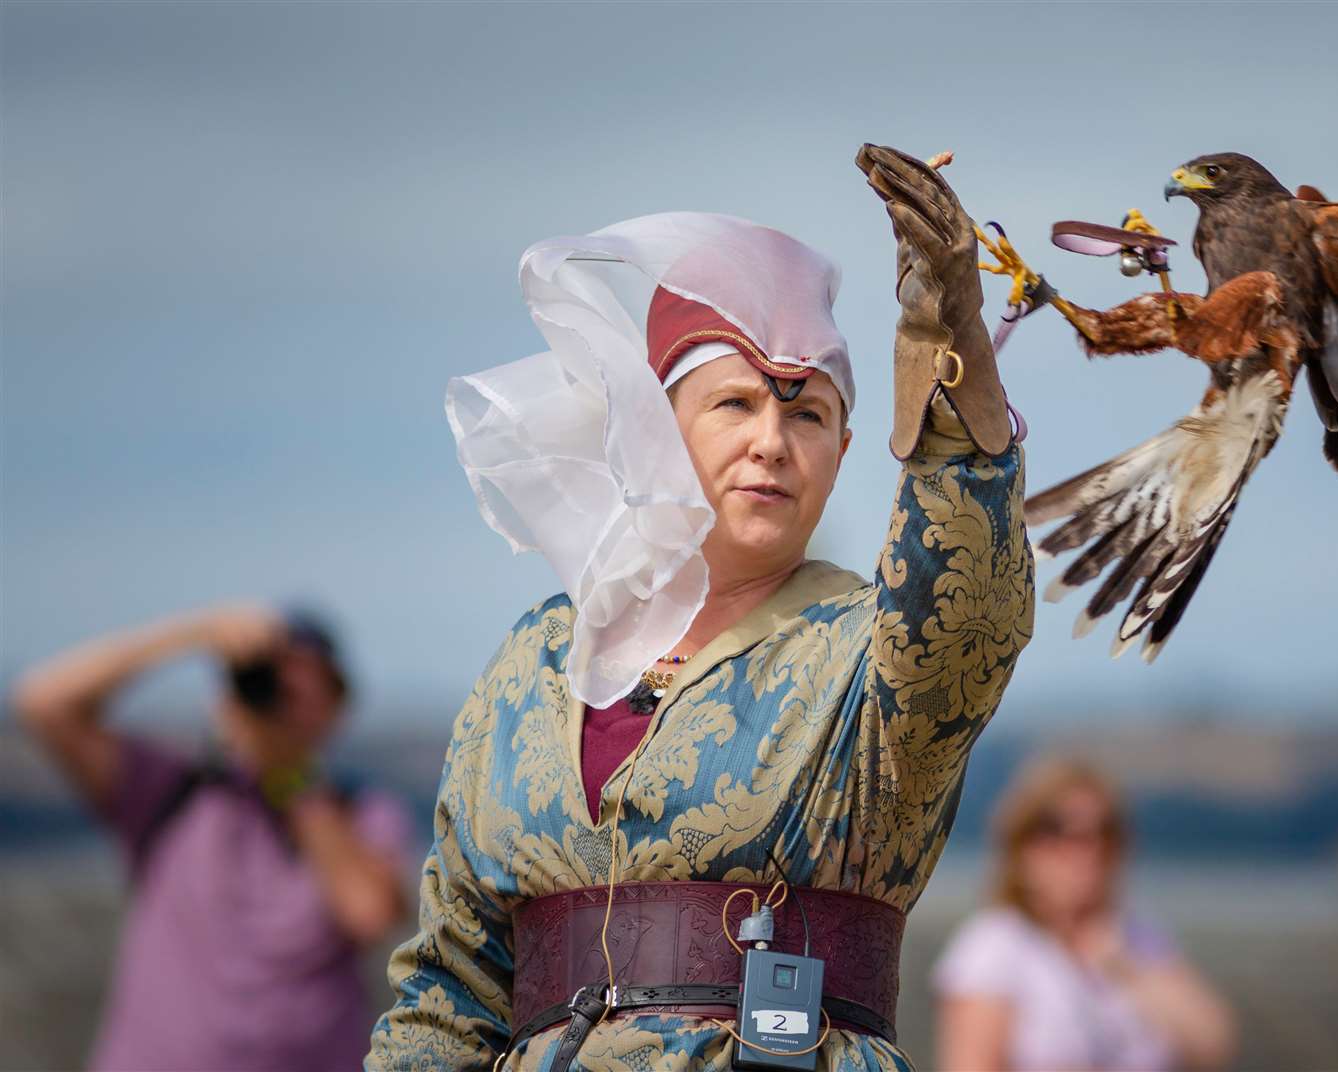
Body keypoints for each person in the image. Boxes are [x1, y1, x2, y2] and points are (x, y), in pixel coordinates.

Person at [367, 145, 1034, 1071]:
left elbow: (967, 608)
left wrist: (948, 339)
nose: (771, 441)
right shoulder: (533, 662)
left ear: (842, 451)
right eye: (734, 404)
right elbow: (448, 987)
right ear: (653, 434)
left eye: (807, 415)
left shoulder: (871, 656)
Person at [11, 604, 417, 1072]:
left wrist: (292, 777)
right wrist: (193, 632)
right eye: (266, 681)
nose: (279, 699)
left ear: (337, 705)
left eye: (303, 685)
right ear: (226, 699)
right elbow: (42, 702)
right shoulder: (171, 789)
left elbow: (368, 912)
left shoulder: (362, 811)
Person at [933, 758, 1236, 1072]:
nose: (1087, 851)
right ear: (1023, 846)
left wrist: (1126, 968)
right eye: (1061, 831)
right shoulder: (995, 944)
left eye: (1104, 832)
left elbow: (1212, 1045)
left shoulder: (1138, 937)